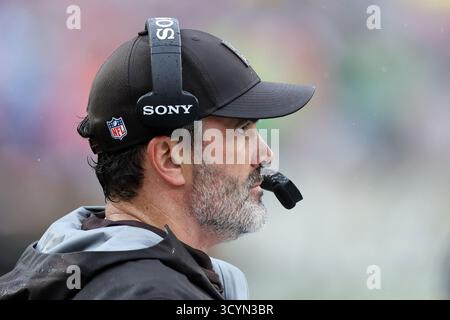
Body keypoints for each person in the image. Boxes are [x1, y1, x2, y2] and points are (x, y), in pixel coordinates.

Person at [0, 18, 315, 300]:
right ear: (169, 158)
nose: (266, 153)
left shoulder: (75, 264)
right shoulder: (155, 292)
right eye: (242, 130)